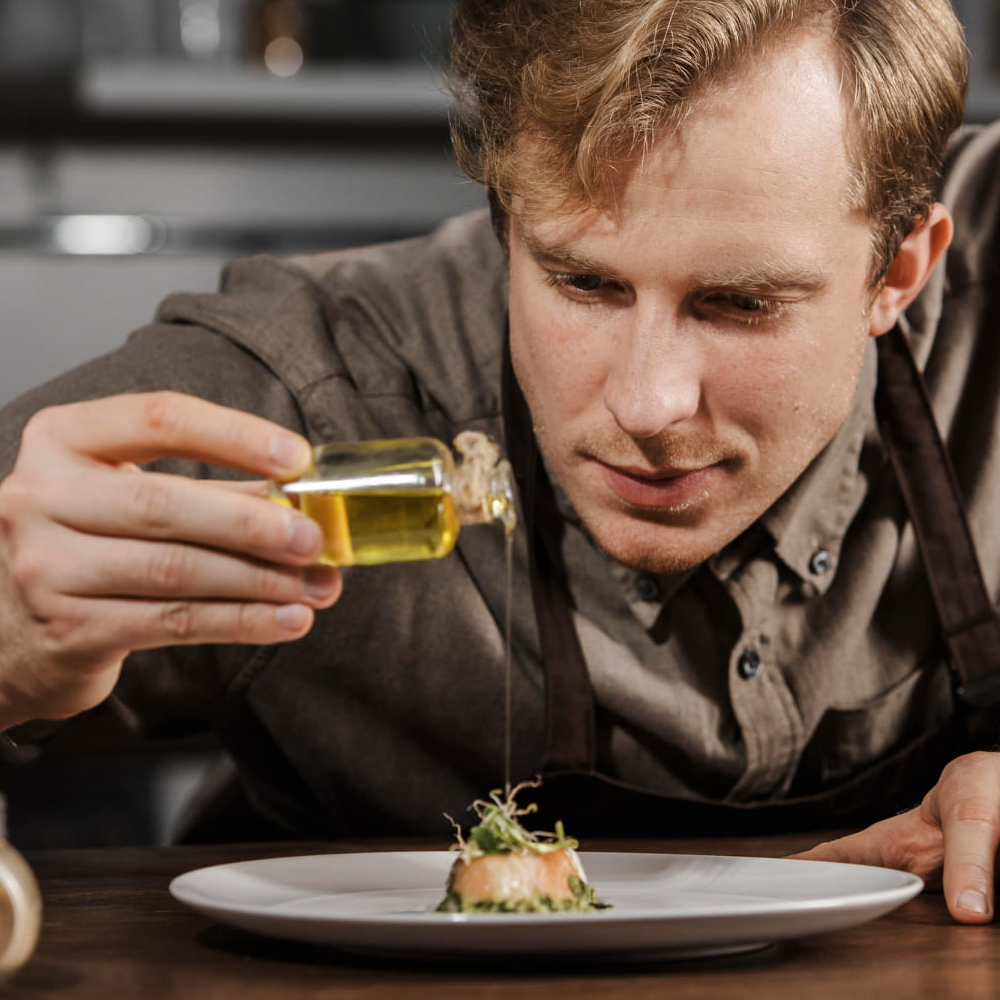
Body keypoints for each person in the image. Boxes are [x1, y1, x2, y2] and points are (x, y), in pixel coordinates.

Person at [0, 0, 995, 922]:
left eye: (740, 303)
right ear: (507, 225)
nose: (646, 404)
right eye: (583, 282)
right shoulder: (311, 394)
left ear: (898, 270)